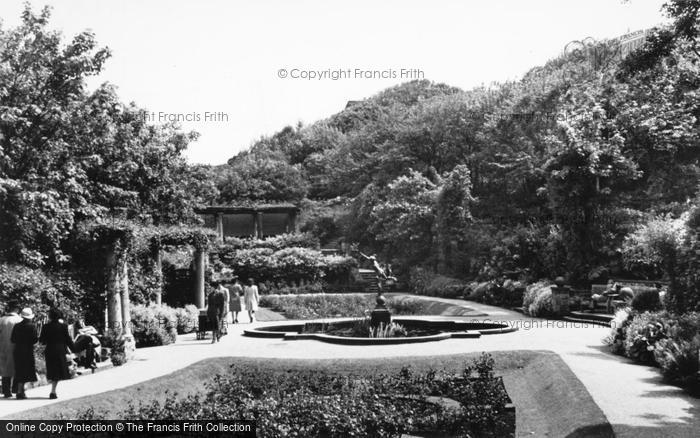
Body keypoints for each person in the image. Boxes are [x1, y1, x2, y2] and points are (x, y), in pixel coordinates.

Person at [40, 308, 75, 399]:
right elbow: (67, 339)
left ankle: (53, 391)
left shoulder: (45, 327)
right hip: (60, 350)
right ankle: (53, 391)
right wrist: (74, 348)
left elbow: (42, 341)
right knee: (57, 371)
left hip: (50, 350)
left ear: (50, 316)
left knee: (52, 370)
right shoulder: (63, 326)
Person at [10, 308, 38, 399]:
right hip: (27, 351)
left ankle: (20, 390)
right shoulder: (32, 326)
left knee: (19, 370)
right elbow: (35, 340)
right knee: (26, 371)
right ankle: (21, 391)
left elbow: (12, 339)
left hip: (18, 350)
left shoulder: (17, 326)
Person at [0, 304, 22, 398]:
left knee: (5, 369)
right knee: (17, 368)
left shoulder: (1, 319)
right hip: (16, 347)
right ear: (16, 309)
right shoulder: (19, 320)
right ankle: (15, 389)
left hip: (2, 347)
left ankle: (6, 391)